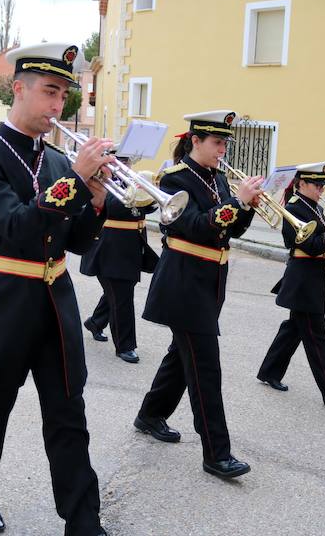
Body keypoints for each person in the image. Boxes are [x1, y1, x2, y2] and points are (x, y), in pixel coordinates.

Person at [0, 42, 111, 535]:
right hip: (7, 298)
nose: (59, 106)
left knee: (67, 413)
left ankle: (83, 521)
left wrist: (96, 201)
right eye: (50, 92)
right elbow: (15, 226)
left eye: (64, 96)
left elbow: (76, 242)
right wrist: (78, 183)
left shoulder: (60, 162)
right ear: (19, 89)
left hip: (56, 301)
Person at [134, 110, 263, 480]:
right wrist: (234, 204)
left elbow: (230, 230)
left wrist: (246, 207)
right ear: (195, 141)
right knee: (205, 366)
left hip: (211, 280)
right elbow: (191, 226)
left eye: (225, 143)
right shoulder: (175, 179)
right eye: (217, 143)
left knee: (182, 355)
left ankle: (150, 414)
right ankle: (216, 453)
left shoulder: (218, 178)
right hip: (183, 282)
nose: (222, 150)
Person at [255, 162, 325, 405]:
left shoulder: (313, 207)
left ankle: (269, 371)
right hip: (303, 278)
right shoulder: (294, 209)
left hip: (313, 276)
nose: (321, 189)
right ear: (301, 183)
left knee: (294, 329)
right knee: (317, 336)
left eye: (323, 185)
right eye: (316, 185)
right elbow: (312, 246)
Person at [80, 158, 159, 363]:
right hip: (108, 250)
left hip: (130, 248)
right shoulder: (100, 182)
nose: (125, 166)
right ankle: (125, 346)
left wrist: (150, 195)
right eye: (120, 161)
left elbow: (143, 210)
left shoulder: (128, 182)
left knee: (117, 292)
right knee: (121, 297)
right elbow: (112, 207)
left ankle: (96, 322)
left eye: (126, 161)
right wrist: (137, 193)